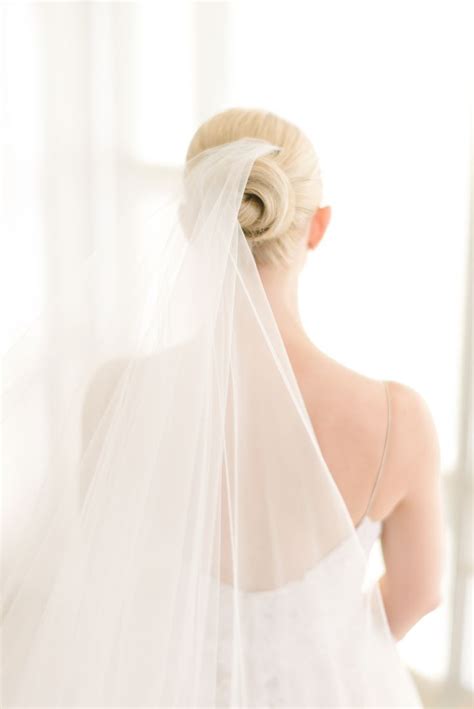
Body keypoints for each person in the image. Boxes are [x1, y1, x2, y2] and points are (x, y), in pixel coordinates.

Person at [2, 108, 444, 707]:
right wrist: (313, 647)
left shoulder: (114, 396)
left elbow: (111, 577)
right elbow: (419, 592)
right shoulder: (400, 419)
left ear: (191, 224)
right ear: (318, 227)